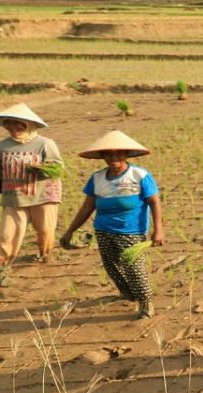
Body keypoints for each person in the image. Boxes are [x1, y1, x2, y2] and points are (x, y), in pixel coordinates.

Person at [60, 131, 164, 319]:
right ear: (102, 156)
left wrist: (158, 230)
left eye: (118, 153)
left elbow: (154, 202)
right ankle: (129, 294)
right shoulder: (97, 178)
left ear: (126, 154)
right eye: (108, 154)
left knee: (134, 268)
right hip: (103, 229)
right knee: (111, 266)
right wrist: (70, 231)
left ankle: (145, 302)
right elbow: (87, 207)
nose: (113, 157)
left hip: (131, 231)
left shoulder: (139, 175)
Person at [0, 103, 64, 287]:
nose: (13, 128)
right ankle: (2, 265)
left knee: (45, 231)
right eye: (8, 124)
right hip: (13, 197)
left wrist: (42, 169)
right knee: (7, 235)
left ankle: (44, 255)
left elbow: (58, 168)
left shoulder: (44, 144)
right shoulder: (2, 146)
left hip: (43, 196)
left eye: (18, 125)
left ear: (29, 125)